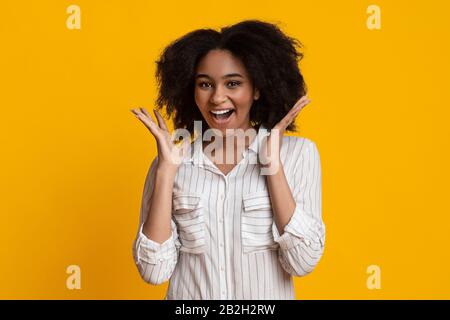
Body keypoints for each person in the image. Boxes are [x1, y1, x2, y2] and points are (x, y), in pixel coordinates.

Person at [130, 19, 326, 300]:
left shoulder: (298, 154)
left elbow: (304, 261)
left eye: (232, 83)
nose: (217, 98)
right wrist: (166, 172)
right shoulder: (171, 162)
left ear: (257, 89)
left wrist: (273, 167)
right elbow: (153, 272)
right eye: (205, 84)